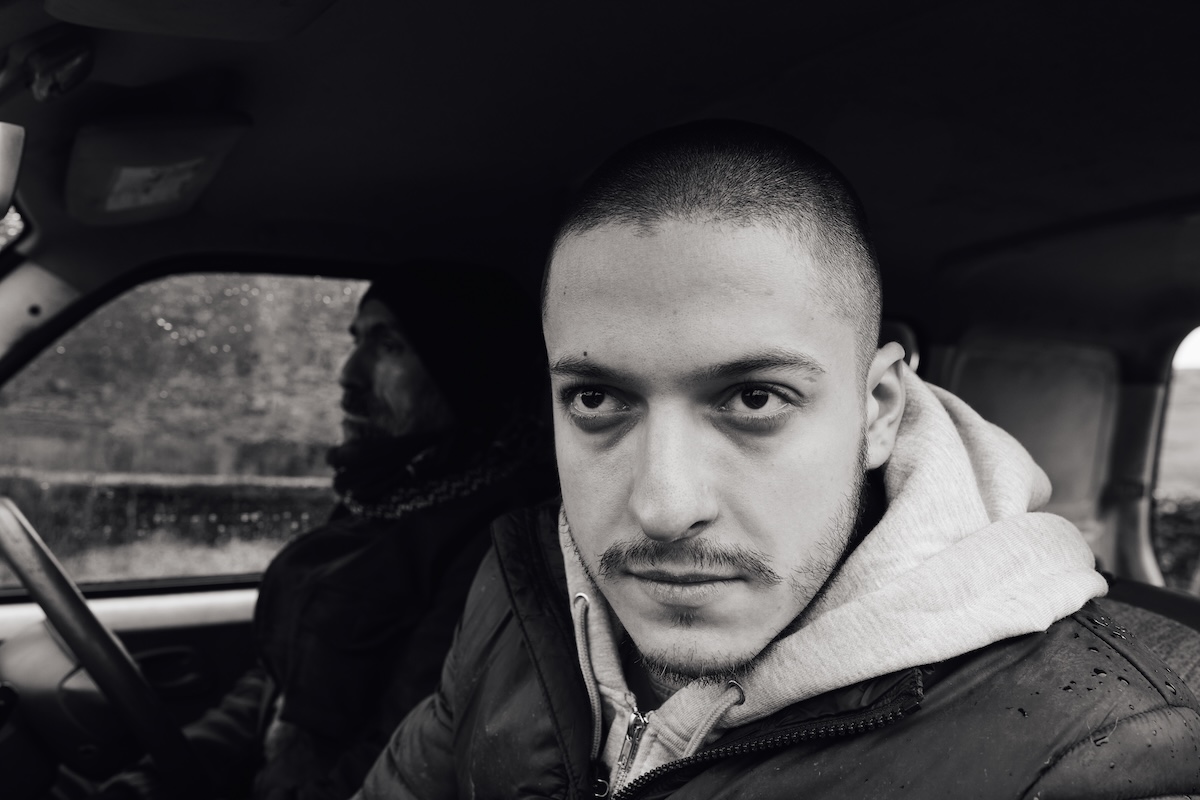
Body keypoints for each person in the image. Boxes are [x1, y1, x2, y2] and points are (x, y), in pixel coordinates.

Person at [356, 123, 1200, 799]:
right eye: (598, 400)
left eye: (753, 399)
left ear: (878, 409)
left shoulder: (1115, 742)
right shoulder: (521, 587)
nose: (662, 504)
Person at [98, 265, 555, 800]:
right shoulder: (387, 499)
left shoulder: (500, 545)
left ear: (464, 371)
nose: (348, 374)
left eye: (390, 346)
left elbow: (405, 753)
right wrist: (152, 780)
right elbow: (280, 688)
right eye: (357, 340)